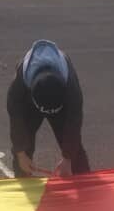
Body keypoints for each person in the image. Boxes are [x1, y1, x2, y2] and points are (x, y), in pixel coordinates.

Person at [6, 40, 90, 178]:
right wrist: (20, 154)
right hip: (30, 100)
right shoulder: (19, 86)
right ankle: (22, 178)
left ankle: (85, 182)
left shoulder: (71, 89)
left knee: (75, 153)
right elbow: (16, 120)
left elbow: (73, 123)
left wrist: (68, 158)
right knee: (23, 147)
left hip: (60, 100)